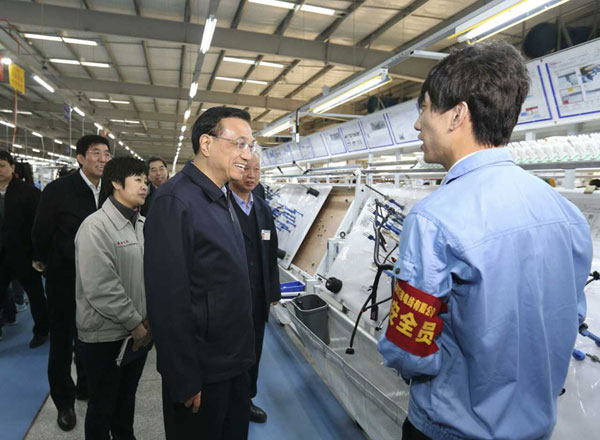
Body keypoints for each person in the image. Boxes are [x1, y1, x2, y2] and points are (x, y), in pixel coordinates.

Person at [377, 42, 593, 440]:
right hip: (536, 429)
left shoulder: (434, 219)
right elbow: (572, 316)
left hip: (451, 427)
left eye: (424, 108)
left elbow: (408, 347)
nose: (418, 124)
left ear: (457, 115)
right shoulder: (569, 215)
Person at [145, 106, 256, 440]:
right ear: (206, 144)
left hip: (233, 361)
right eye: (239, 144)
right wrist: (183, 377)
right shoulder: (175, 201)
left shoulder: (220, 195)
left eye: (251, 146)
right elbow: (166, 299)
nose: (247, 155)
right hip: (203, 371)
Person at [32, 134, 112, 431]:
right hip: (65, 277)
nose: (103, 158)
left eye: (106, 153)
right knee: (63, 340)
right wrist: (44, 261)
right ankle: (64, 402)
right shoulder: (59, 190)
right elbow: (41, 231)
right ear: (80, 158)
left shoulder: (111, 189)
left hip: (100, 278)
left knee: (93, 337)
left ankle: (86, 386)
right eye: (96, 153)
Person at [75, 156, 151, 440]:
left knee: (126, 399)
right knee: (102, 405)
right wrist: (135, 323)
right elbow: (101, 286)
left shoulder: (141, 224)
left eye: (146, 181)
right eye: (138, 180)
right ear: (116, 183)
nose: (145, 186)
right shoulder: (95, 227)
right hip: (105, 336)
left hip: (137, 332)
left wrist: (146, 321)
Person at [229, 149, 281, 423]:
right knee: (232, 351)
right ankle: (230, 400)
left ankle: (246, 399)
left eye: (256, 170)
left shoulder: (262, 208)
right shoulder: (220, 205)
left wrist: (272, 289)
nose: (251, 176)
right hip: (231, 296)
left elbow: (270, 251)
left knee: (254, 349)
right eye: (245, 169)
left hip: (258, 295)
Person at [0, 151, 49, 346]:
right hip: (1, 257)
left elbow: (39, 226)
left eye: (2, 166)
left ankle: (42, 331)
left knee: (35, 295)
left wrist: (39, 255)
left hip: (24, 254)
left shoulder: (28, 192)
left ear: (12, 167)